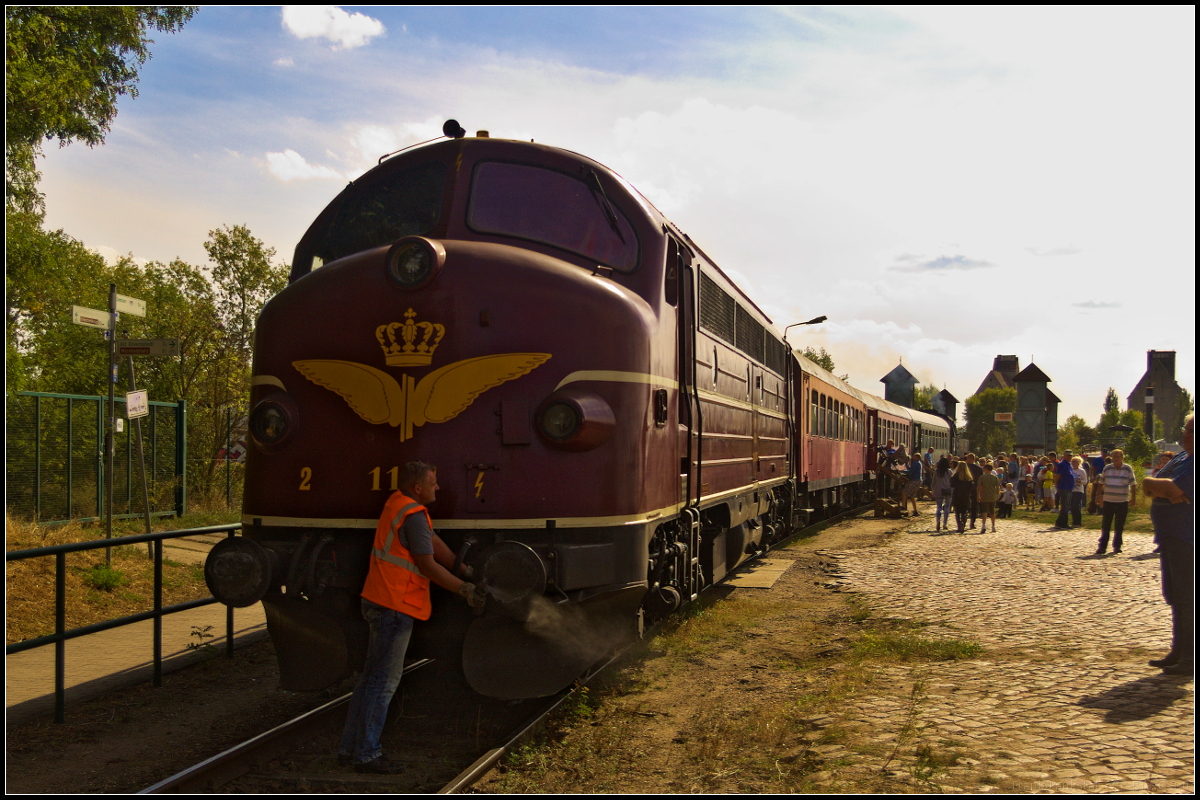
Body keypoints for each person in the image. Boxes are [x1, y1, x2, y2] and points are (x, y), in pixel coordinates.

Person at [338, 462, 487, 773]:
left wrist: (464, 568)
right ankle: (366, 753)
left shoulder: (398, 505)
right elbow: (427, 564)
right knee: (383, 682)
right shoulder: (413, 514)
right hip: (394, 605)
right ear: (418, 487)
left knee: (369, 680)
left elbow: (432, 543)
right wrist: (466, 590)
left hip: (379, 599)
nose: (438, 487)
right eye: (433, 482)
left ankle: (349, 749)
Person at [1142, 415, 1194, 676]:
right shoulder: (1180, 458)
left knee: (1187, 598)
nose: (1185, 435)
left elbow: (1170, 486)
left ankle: (1190, 657)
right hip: (1170, 536)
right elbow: (1151, 483)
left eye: (1191, 431)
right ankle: (1178, 649)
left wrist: (1159, 487)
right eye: (1185, 429)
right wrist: (1156, 487)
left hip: (1187, 538)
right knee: (1174, 596)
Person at [1096, 448, 1137, 555]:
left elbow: (1133, 484)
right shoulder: (1107, 468)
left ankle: (1117, 545)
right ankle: (1102, 546)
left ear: (1122, 458)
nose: (1116, 458)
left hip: (1122, 501)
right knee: (1106, 524)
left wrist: (1133, 498)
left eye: (1118, 456)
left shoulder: (1127, 469)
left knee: (1119, 525)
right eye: (1114, 456)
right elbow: (1101, 482)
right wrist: (1098, 495)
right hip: (1108, 500)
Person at [950, 460, 975, 533]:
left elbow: (952, 485)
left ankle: (959, 525)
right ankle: (963, 522)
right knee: (964, 511)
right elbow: (971, 487)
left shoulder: (955, 476)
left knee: (957, 512)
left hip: (957, 495)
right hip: (965, 495)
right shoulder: (969, 477)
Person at [1053, 450, 1076, 529]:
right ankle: (1062, 523)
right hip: (1064, 487)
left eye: (1070, 455)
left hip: (1069, 487)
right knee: (1065, 506)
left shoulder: (1068, 464)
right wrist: (1057, 484)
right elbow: (1058, 475)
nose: (1069, 457)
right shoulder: (1062, 464)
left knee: (1066, 506)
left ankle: (1060, 522)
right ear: (1064, 456)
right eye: (1068, 455)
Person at [977, 462, 1001, 533]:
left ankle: (984, 525)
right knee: (992, 511)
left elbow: (980, 487)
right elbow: (997, 487)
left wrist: (978, 495)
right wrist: (997, 494)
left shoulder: (982, 477)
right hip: (992, 496)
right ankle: (993, 526)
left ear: (986, 469)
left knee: (984, 511)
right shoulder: (995, 477)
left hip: (984, 496)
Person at [932, 456, 953, 531]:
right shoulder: (949, 472)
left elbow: (933, 482)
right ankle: (945, 523)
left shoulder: (936, 471)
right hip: (948, 490)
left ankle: (938, 520)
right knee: (947, 507)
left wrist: (933, 489)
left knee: (939, 507)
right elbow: (952, 482)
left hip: (938, 490)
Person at [964, 453, 983, 529]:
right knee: (974, 506)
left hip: (966, 488)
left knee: (966, 504)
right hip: (975, 488)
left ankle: (964, 520)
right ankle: (972, 522)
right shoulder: (978, 469)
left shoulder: (964, 467)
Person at [1070, 456, 1088, 527]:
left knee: (1076, 506)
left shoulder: (1082, 471)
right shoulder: (1070, 470)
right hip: (1071, 490)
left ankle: (1078, 522)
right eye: (1072, 462)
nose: (1073, 463)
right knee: (1072, 506)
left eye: (1075, 462)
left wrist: (1080, 481)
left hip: (1079, 490)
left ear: (1078, 463)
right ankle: (1074, 521)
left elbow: (1085, 481)